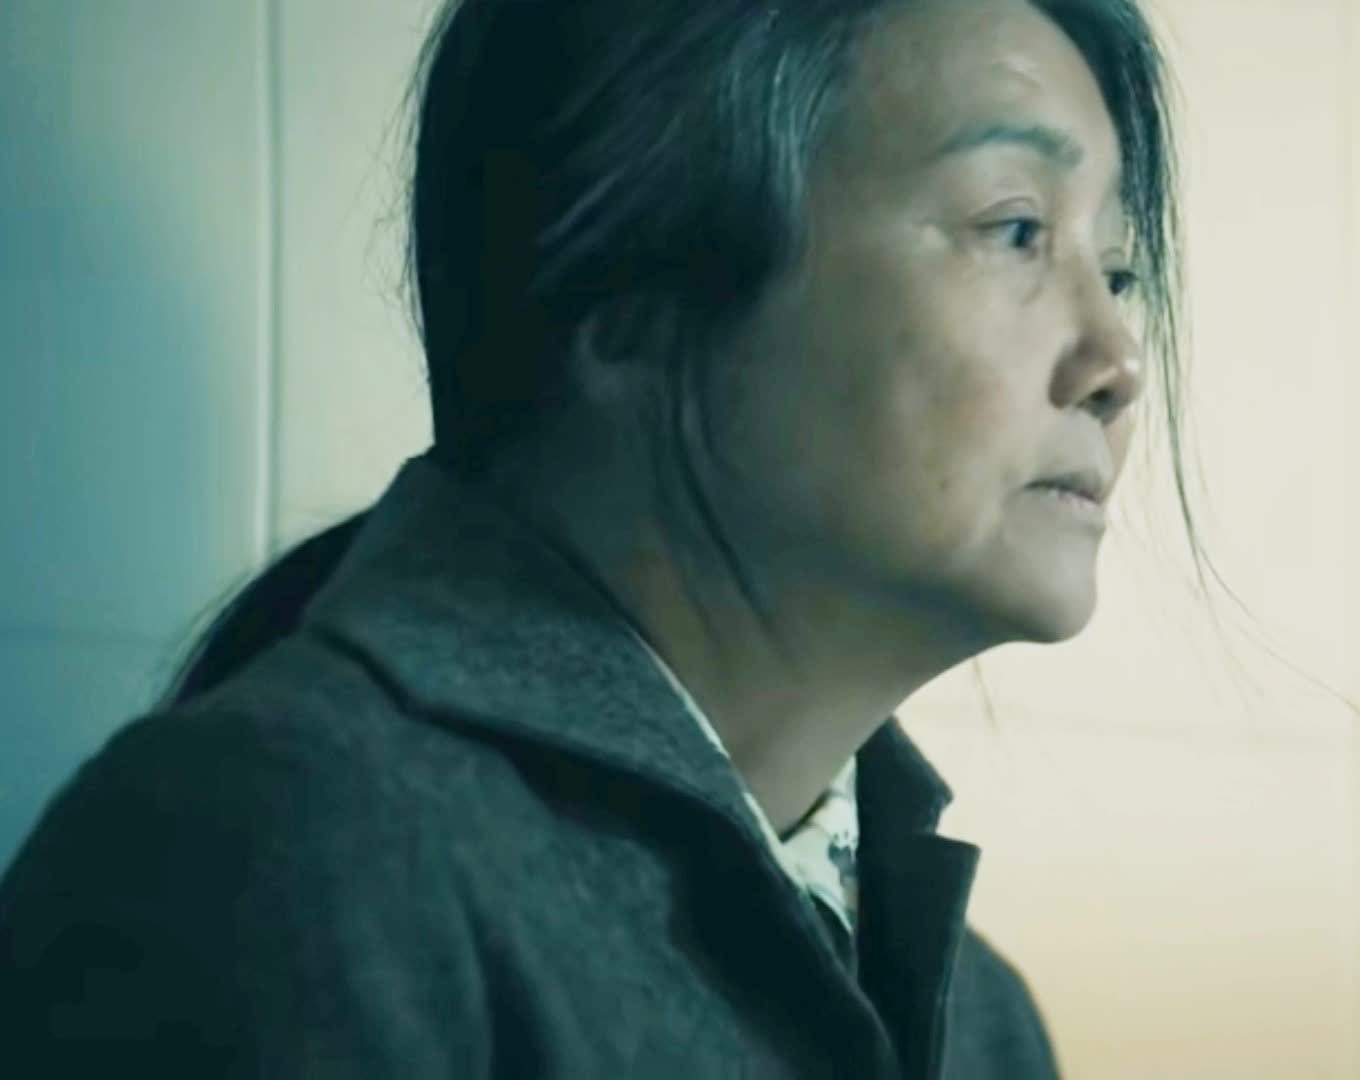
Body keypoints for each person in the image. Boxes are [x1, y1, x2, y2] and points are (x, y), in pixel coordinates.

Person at [0, 0, 1187, 1074]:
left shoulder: (980, 1027)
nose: (1118, 362)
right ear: (634, 297)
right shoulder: (275, 859)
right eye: (1015, 230)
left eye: (1120, 269)